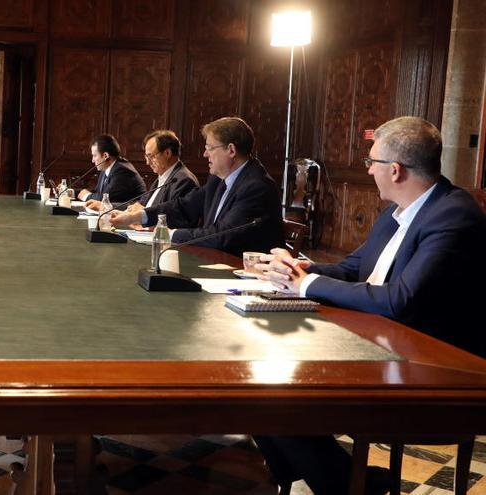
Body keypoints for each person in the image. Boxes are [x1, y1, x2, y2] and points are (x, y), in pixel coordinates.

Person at [254, 116, 486, 494]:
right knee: (265, 382)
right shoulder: (397, 209)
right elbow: (355, 269)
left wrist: (308, 284)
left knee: (276, 397)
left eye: (371, 162)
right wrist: (302, 268)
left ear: (394, 170)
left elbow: (399, 299)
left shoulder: (453, 215)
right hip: (385, 348)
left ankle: (347, 485)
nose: (367, 169)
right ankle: (336, 480)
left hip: (438, 374)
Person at [109, 117, 283, 257]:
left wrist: (169, 234)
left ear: (231, 150)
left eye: (209, 148)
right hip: (213, 260)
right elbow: (184, 205)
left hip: (243, 273)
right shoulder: (218, 179)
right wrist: (137, 216)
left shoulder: (256, 187)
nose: (205, 154)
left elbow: (221, 236)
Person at [122, 129, 199, 214]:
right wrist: (126, 211)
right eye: (146, 157)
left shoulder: (183, 180)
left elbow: (173, 216)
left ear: (167, 153)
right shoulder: (162, 177)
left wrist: (143, 212)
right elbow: (142, 204)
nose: (148, 163)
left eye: (151, 156)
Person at [76, 134, 146, 205]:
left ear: (105, 156)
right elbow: (97, 193)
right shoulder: (106, 169)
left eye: (94, 156)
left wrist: (86, 196)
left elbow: (106, 198)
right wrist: (73, 193)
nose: (92, 160)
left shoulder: (122, 171)